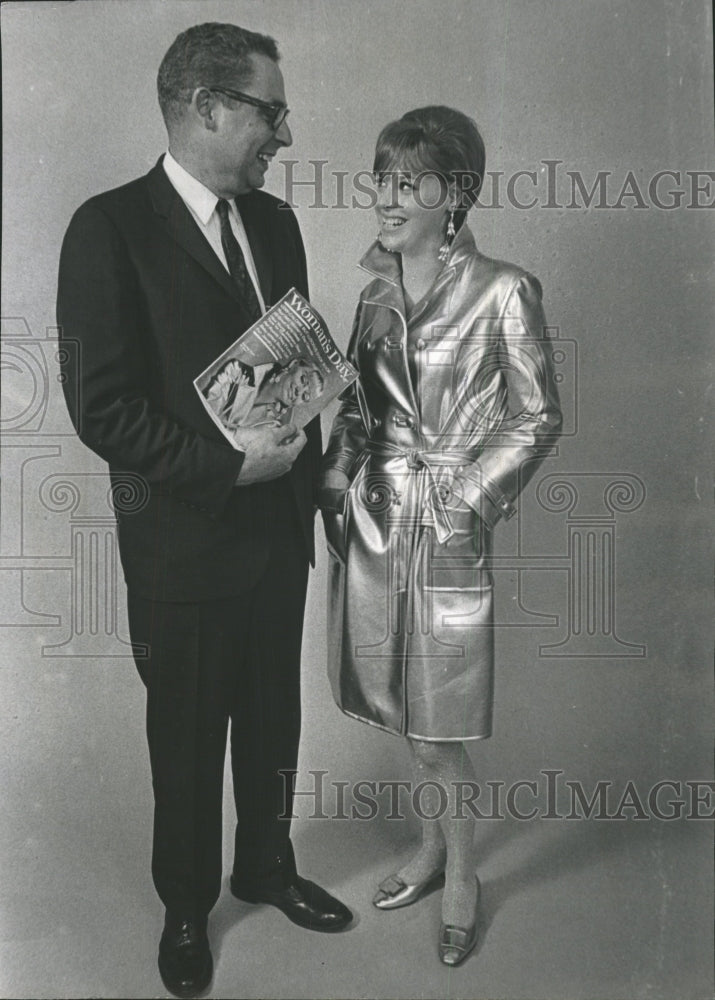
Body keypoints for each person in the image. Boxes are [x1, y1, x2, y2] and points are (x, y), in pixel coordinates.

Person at [57, 22, 351, 999]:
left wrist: (317, 448)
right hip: (185, 542)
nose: (285, 134)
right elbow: (103, 408)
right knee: (187, 738)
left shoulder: (273, 225)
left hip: (280, 533)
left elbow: (293, 363)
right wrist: (227, 472)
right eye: (270, 111)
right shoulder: (108, 228)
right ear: (209, 107)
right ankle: (187, 907)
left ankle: (265, 866)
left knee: (273, 720)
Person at [319, 106, 562, 967]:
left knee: (436, 726)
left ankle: (461, 873)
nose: (386, 197)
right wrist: (336, 487)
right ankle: (430, 850)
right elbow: (354, 409)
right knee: (397, 708)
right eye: (381, 178)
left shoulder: (504, 288)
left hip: (447, 523)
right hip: (376, 522)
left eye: (408, 181)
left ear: (453, 193)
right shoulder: (375, 293)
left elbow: (535, 418)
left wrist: (466, 502)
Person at [205, 356, 325, 430]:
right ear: (293, 364)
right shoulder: (236, 370)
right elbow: (208, 405)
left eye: (305, 396)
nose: (299, 391)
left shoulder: (274, 426)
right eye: (303, 380)